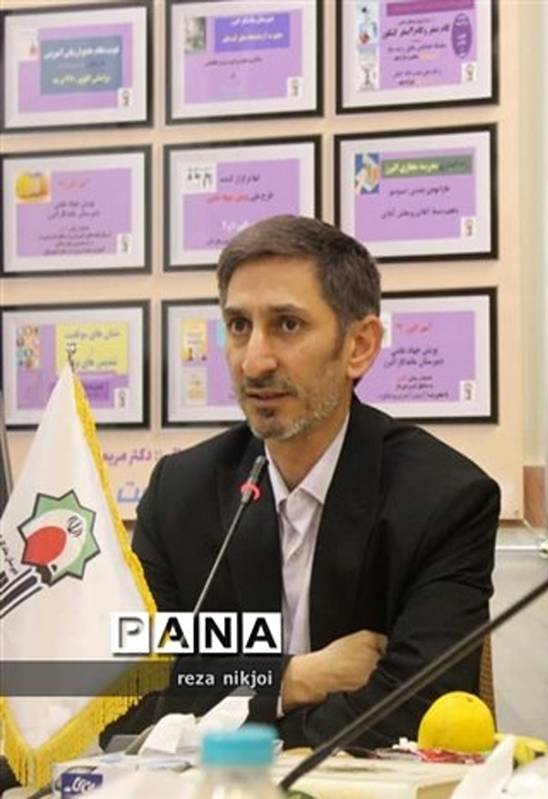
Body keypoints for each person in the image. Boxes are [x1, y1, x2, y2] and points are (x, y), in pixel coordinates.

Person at [118, 215, 499, 748]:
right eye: (238, 326)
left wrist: (228, 714)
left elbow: (416, 709)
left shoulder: (443, 499)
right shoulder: (180, 494)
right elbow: (131, 694)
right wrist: (293, 680)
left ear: (359, 346)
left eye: (288, 325)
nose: (254, 362)